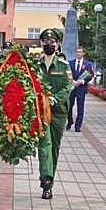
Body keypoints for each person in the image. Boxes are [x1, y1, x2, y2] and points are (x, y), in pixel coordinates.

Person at [37, 28, 73, 199]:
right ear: (41, 44)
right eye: (46, 41)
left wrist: (53, 100)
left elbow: (67, 88)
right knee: (45, 145)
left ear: (57, 45)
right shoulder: (35, 66)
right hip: (40, 113)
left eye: (52, 42)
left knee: (54, 148)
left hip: (58, 112)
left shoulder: (64, 66)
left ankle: (49, 182)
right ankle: (46, 180)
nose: (49, 44)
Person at [67, 46, 92, 132]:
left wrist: (82, 81)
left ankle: (78, 126)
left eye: (80, 52)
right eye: (77, 52)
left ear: (83, 53)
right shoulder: (70, 63)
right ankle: (70, 121)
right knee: (69, 106)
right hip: (72, 88)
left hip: (81, 88)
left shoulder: (87, 64)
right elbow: (68, 73)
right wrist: (72, 81)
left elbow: (89, 76)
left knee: (80, 108)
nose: (78, 53)